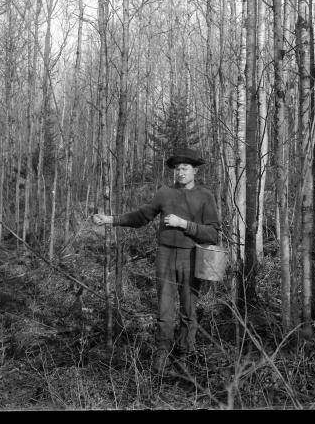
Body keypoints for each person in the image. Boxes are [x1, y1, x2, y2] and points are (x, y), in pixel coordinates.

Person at [91, 147, 219, 375]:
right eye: (177, 168)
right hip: (165, 255)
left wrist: (184, 224)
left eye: (185, 168)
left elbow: (213, 234)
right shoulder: (164, 193)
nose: (180, 172)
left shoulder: (205, 196)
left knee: (189, 309)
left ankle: (185, 355)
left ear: (195, 171)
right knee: (164, 308)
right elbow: (141, 217)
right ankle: (162, 354)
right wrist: (110, 219)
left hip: (192, 256)